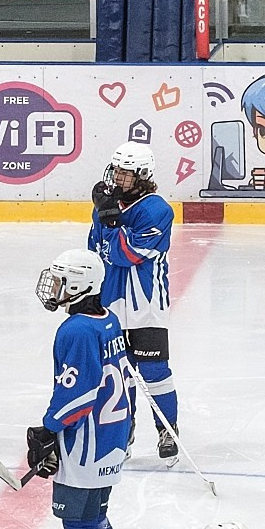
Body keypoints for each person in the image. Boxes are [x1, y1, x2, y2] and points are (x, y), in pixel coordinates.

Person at [25, 249, 134, 529]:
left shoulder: (75, 331)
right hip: (112, 439)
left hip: (85, 443)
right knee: (98, 516)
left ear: (78, 285)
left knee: (78, 523)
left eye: (60, 280)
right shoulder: (109, 321)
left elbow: (79, 394)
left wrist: (48, 428)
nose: (52, 287)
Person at [89, 143, 178, 459]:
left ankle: (168, 431)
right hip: (111, 301)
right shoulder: (106, 207)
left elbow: (125, 255)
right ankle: (120, 433)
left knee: (154, 369)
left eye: (125, 173)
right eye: (116, 170)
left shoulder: (157, 210)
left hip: (146, 304)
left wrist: (112, 223)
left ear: (143, 176)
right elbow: (95, 252)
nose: (118, 178)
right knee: (116, 372)